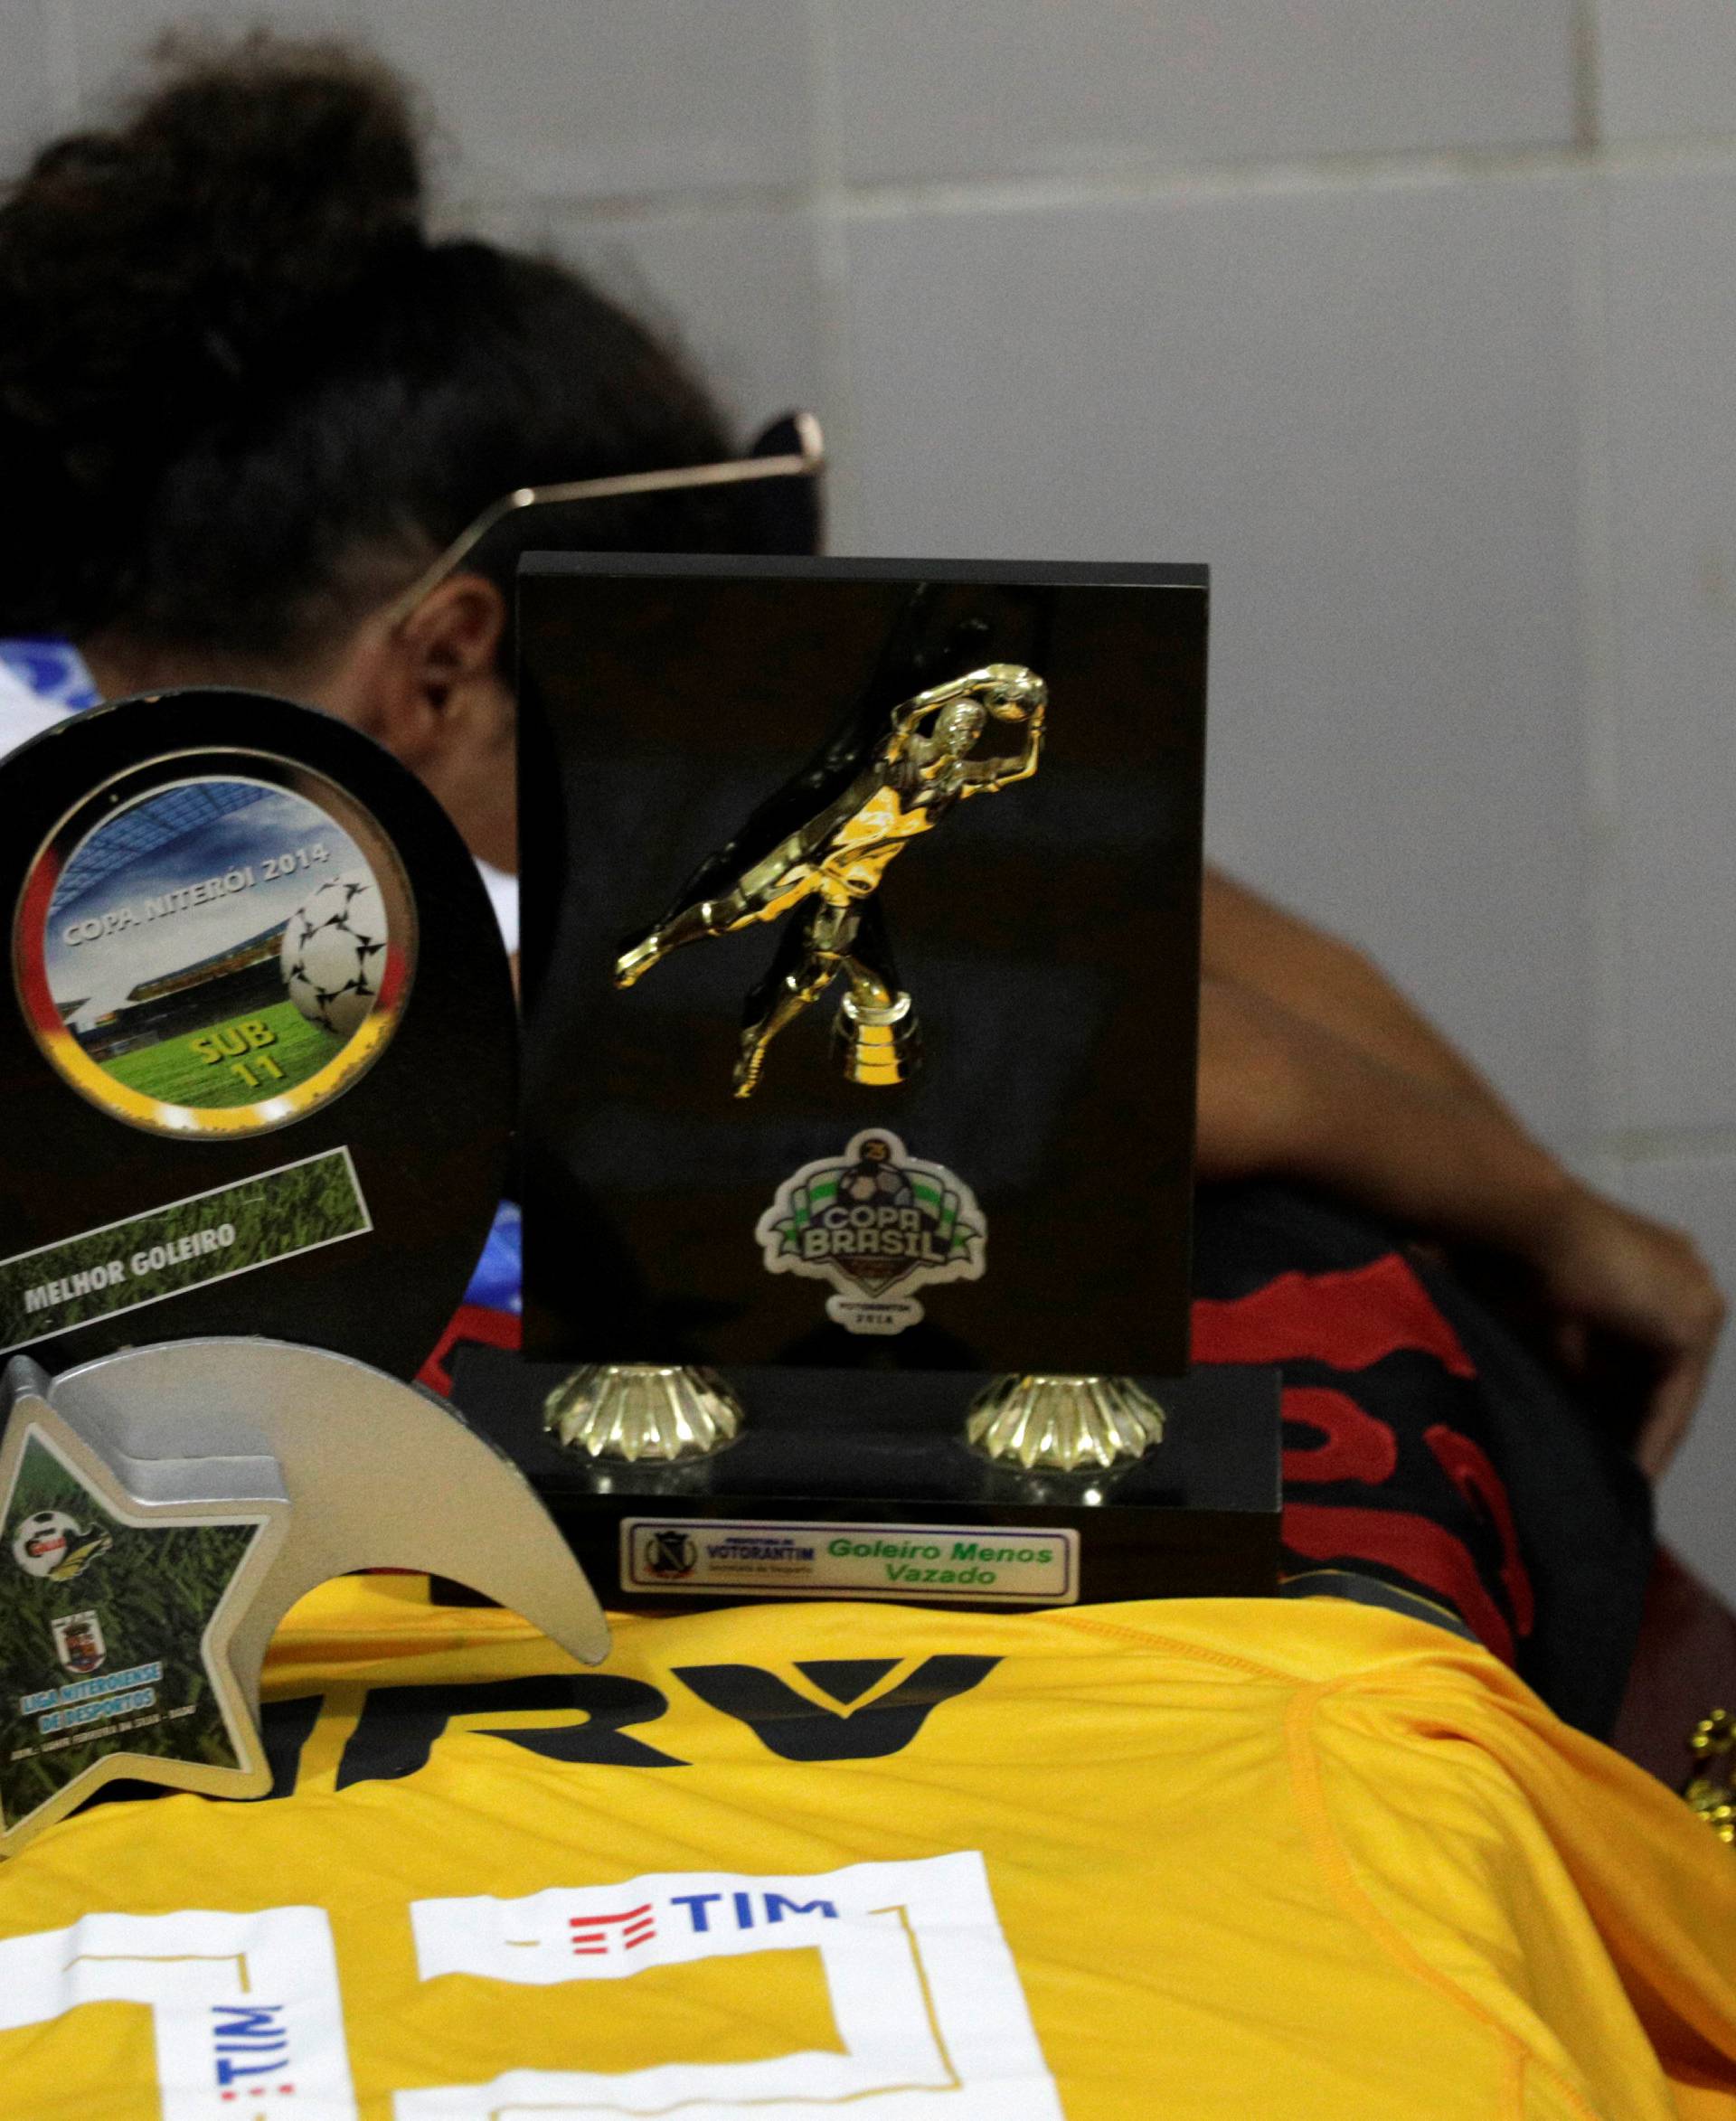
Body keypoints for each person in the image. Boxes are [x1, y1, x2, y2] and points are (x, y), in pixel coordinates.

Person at [0, 36, 1721, 1702]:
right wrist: (1573, 1229)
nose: (705, 794)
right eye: (667, 717)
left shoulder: (103, 715)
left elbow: (1157, 908)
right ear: (447, 667)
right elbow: (1150, 1051)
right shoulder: (276, 898)